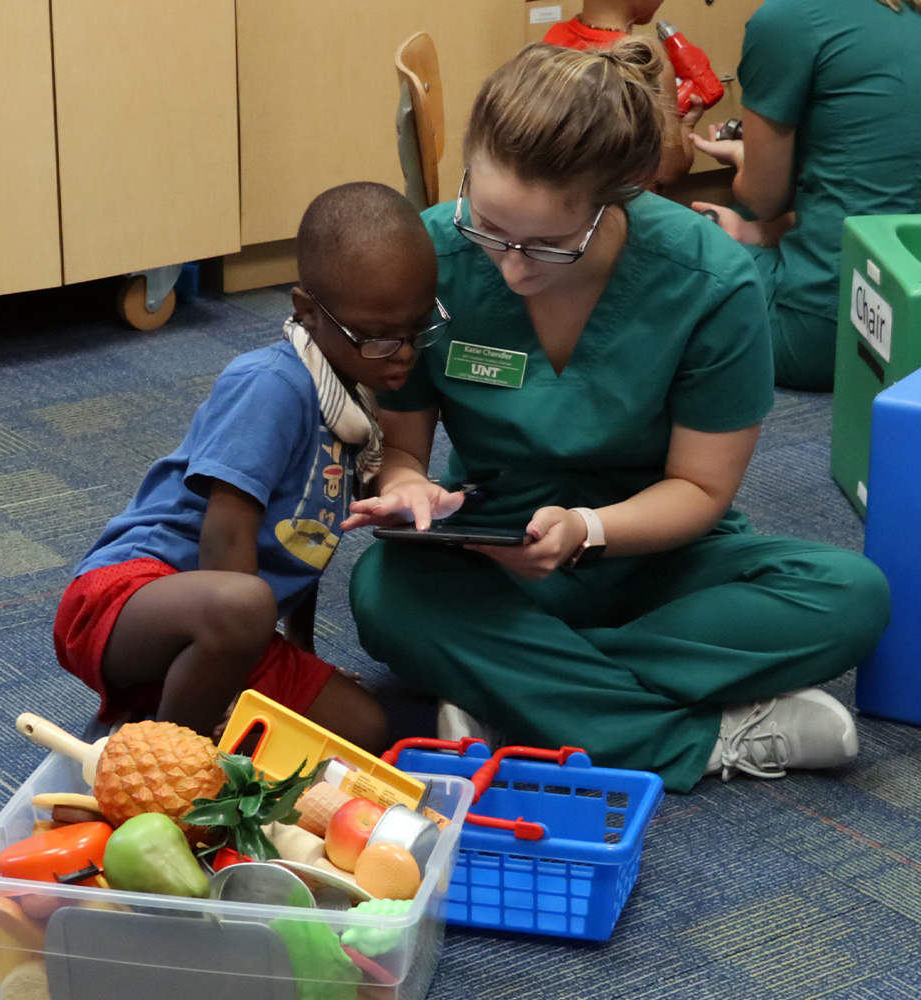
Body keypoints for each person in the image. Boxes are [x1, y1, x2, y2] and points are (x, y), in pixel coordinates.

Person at [342, 41, 890, 793]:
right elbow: (403, 450)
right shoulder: (433, 252)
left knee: (852, 598)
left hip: (654, 552)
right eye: (489, 229)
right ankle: (695, 738)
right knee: (382, 590)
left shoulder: (712, 282)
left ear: (621, 197)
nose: (509, 266)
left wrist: (588, 531)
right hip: (498, 554)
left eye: (546, 247)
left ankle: (515, 692)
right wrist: (407, 489)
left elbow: (698, 491)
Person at [54, 182, 448, 753]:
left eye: (417, 330)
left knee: (365, 729)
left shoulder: (351, 411)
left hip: (234, 622)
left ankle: (157, 709)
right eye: (380, 338)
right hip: (124, 599)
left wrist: (298, 659)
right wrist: (243, 678)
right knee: (244, 606)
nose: (406, 354)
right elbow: (229, 532)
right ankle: (162, 763)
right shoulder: (270, 385)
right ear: (307, 312)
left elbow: (302, 548)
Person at [690, 0, 921, 391]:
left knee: (671, 239)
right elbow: (878, 190)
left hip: (831, 331)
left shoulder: (789, 18)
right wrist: (759, 231)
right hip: (910, 314)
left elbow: (765, 199)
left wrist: (746, 160)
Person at [542, 0, 703, 189]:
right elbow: (667, 172)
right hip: (617, 210)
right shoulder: (651, 65)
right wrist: (686, 126)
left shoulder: (552, 40)